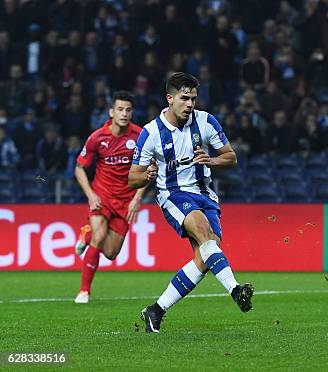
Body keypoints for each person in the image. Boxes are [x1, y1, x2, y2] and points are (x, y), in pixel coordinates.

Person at [128, 72, 253, 333]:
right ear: (169, 99)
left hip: (205, 194)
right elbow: (133, 178)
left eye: (193, 98)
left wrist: (212, 160)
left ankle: (156, 310)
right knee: (204, 233)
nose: (190, 104)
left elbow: (230, 157)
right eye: (184, 98)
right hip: (173, 194)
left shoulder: (206, 122)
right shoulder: (151, 133)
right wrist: (147, 176)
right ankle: (235, 290)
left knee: (206, 255)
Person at [73, 91, 146, 304]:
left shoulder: (140, 136)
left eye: (128, 110)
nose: (124, 114)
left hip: (125, 201)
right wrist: (90, 195)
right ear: (111, 112)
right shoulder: (97, 137)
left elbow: (151, 169)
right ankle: (84, 291)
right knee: (100, 234)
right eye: (120, 109)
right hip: (102, 196)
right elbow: (79, 168)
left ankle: (85, 235)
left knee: (111, 253)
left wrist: (137, 198)